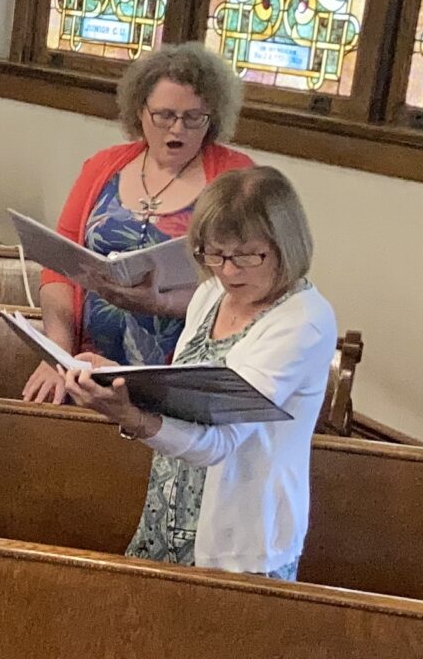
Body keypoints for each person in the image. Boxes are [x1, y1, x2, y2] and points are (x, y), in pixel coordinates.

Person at [64, 167, 336, 580]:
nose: (228, 271)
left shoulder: (304, 320)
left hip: (240, 545)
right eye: (215, 253)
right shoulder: (211, 295)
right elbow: (182, 397)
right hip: (164, 520)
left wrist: (130, 417)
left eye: (247, 255)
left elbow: (220, 442)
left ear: (286, 246)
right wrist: (117, 377)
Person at [22, 40, 251, 402]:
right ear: (140, 111)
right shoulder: (102, 166)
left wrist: (161, 304)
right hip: (84, 368)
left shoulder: (235, 177)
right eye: (165, 116)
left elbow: (244, 283)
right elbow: (58, 269)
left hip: (179, 379)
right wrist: (57, 354)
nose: (178, 130)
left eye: (194, 118)